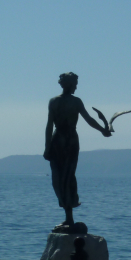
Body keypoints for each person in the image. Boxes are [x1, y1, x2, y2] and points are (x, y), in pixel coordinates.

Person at [43, 72, 111, 230]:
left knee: (67, 178)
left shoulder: (74, 101)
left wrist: (102, 130)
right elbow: (49, 125)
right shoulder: (55, 101)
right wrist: (47, 147)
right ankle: (68, 216)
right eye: (75, 84)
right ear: (68, 84)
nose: (76, 87)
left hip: (68, 142)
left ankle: (69, 218)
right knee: (59, 179)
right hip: (60, 142)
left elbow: (89, 119)